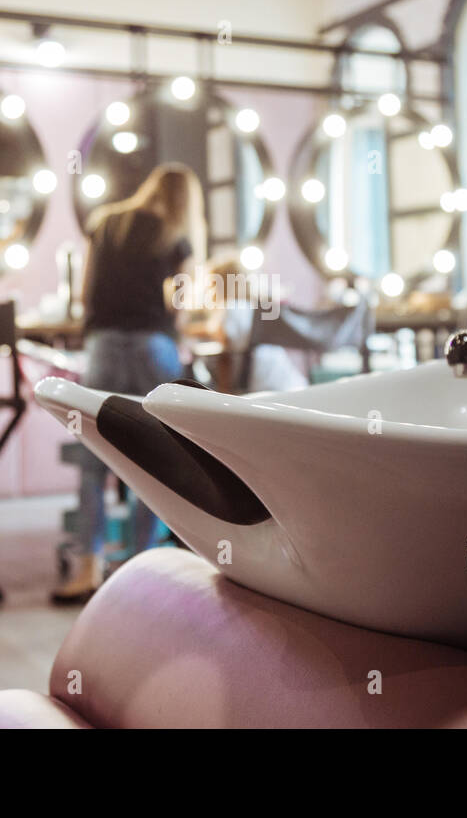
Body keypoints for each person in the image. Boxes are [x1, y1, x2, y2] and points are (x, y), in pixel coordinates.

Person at [51, 163, 206, 604]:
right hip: (153, 345)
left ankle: (85, 568)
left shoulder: (106, 223)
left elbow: (86, 294)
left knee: (93, 457)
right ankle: (142, 564)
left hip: (102, 344)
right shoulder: (175, 233)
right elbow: (179, 302)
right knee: (155, 455)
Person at [184, 256, 308, 394]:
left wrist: (185, 329)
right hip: (284, 380)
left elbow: (220, 338)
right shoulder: (249, 306)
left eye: (212, 283)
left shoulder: (233, 308)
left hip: (264, 383)